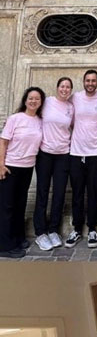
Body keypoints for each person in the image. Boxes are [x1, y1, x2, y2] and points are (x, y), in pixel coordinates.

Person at [66, 69, 97, 249]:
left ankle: (92, 228)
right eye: (88, 80)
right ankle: (76, 228)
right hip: (76, 152)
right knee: (77, 193)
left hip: (95, 152)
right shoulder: (75, 97)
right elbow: (67, 117)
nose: (90, 83)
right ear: (83, 82)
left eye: (93, 80)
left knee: (93, 192)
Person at [0, 86, 45, 259]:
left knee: (20, 204)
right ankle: (5, 245)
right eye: (30, 98)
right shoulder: (15, 119)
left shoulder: (40, 121)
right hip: (11, 166)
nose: (33, 101)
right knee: (7, 206)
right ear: (25, 100)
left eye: (37, 99)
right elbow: (3, 142)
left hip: (27, 167)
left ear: (41, 103)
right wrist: (0, 165)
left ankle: (18, 238)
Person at [33, 77, 74, 251]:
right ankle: (40, 233)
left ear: (71, 90)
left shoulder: (71, 108)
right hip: (45, 154)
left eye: (68, 87)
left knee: (59, 194)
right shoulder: (47, 102)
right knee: (42, 192)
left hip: (63, 155)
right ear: (57, 88)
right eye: (62, 86)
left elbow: (72, 127)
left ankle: (53, 230)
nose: (64, 89)